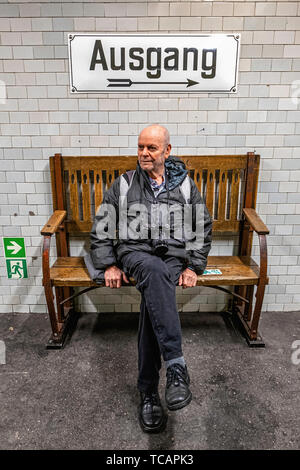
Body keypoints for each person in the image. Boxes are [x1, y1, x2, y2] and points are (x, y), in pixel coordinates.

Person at [90, 125, 212, 433]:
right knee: (155, 274)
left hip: (173, 257)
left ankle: (148, 392)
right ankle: (176, 367)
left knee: (153, 298)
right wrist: (107, 265)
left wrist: (193, 267)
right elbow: (103, 226)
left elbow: (201, 226)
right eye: (141, 146)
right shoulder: (123, 184)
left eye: (152, 148)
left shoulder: (185, 185)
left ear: (167, 151)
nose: (144, 152)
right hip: (136, 255)